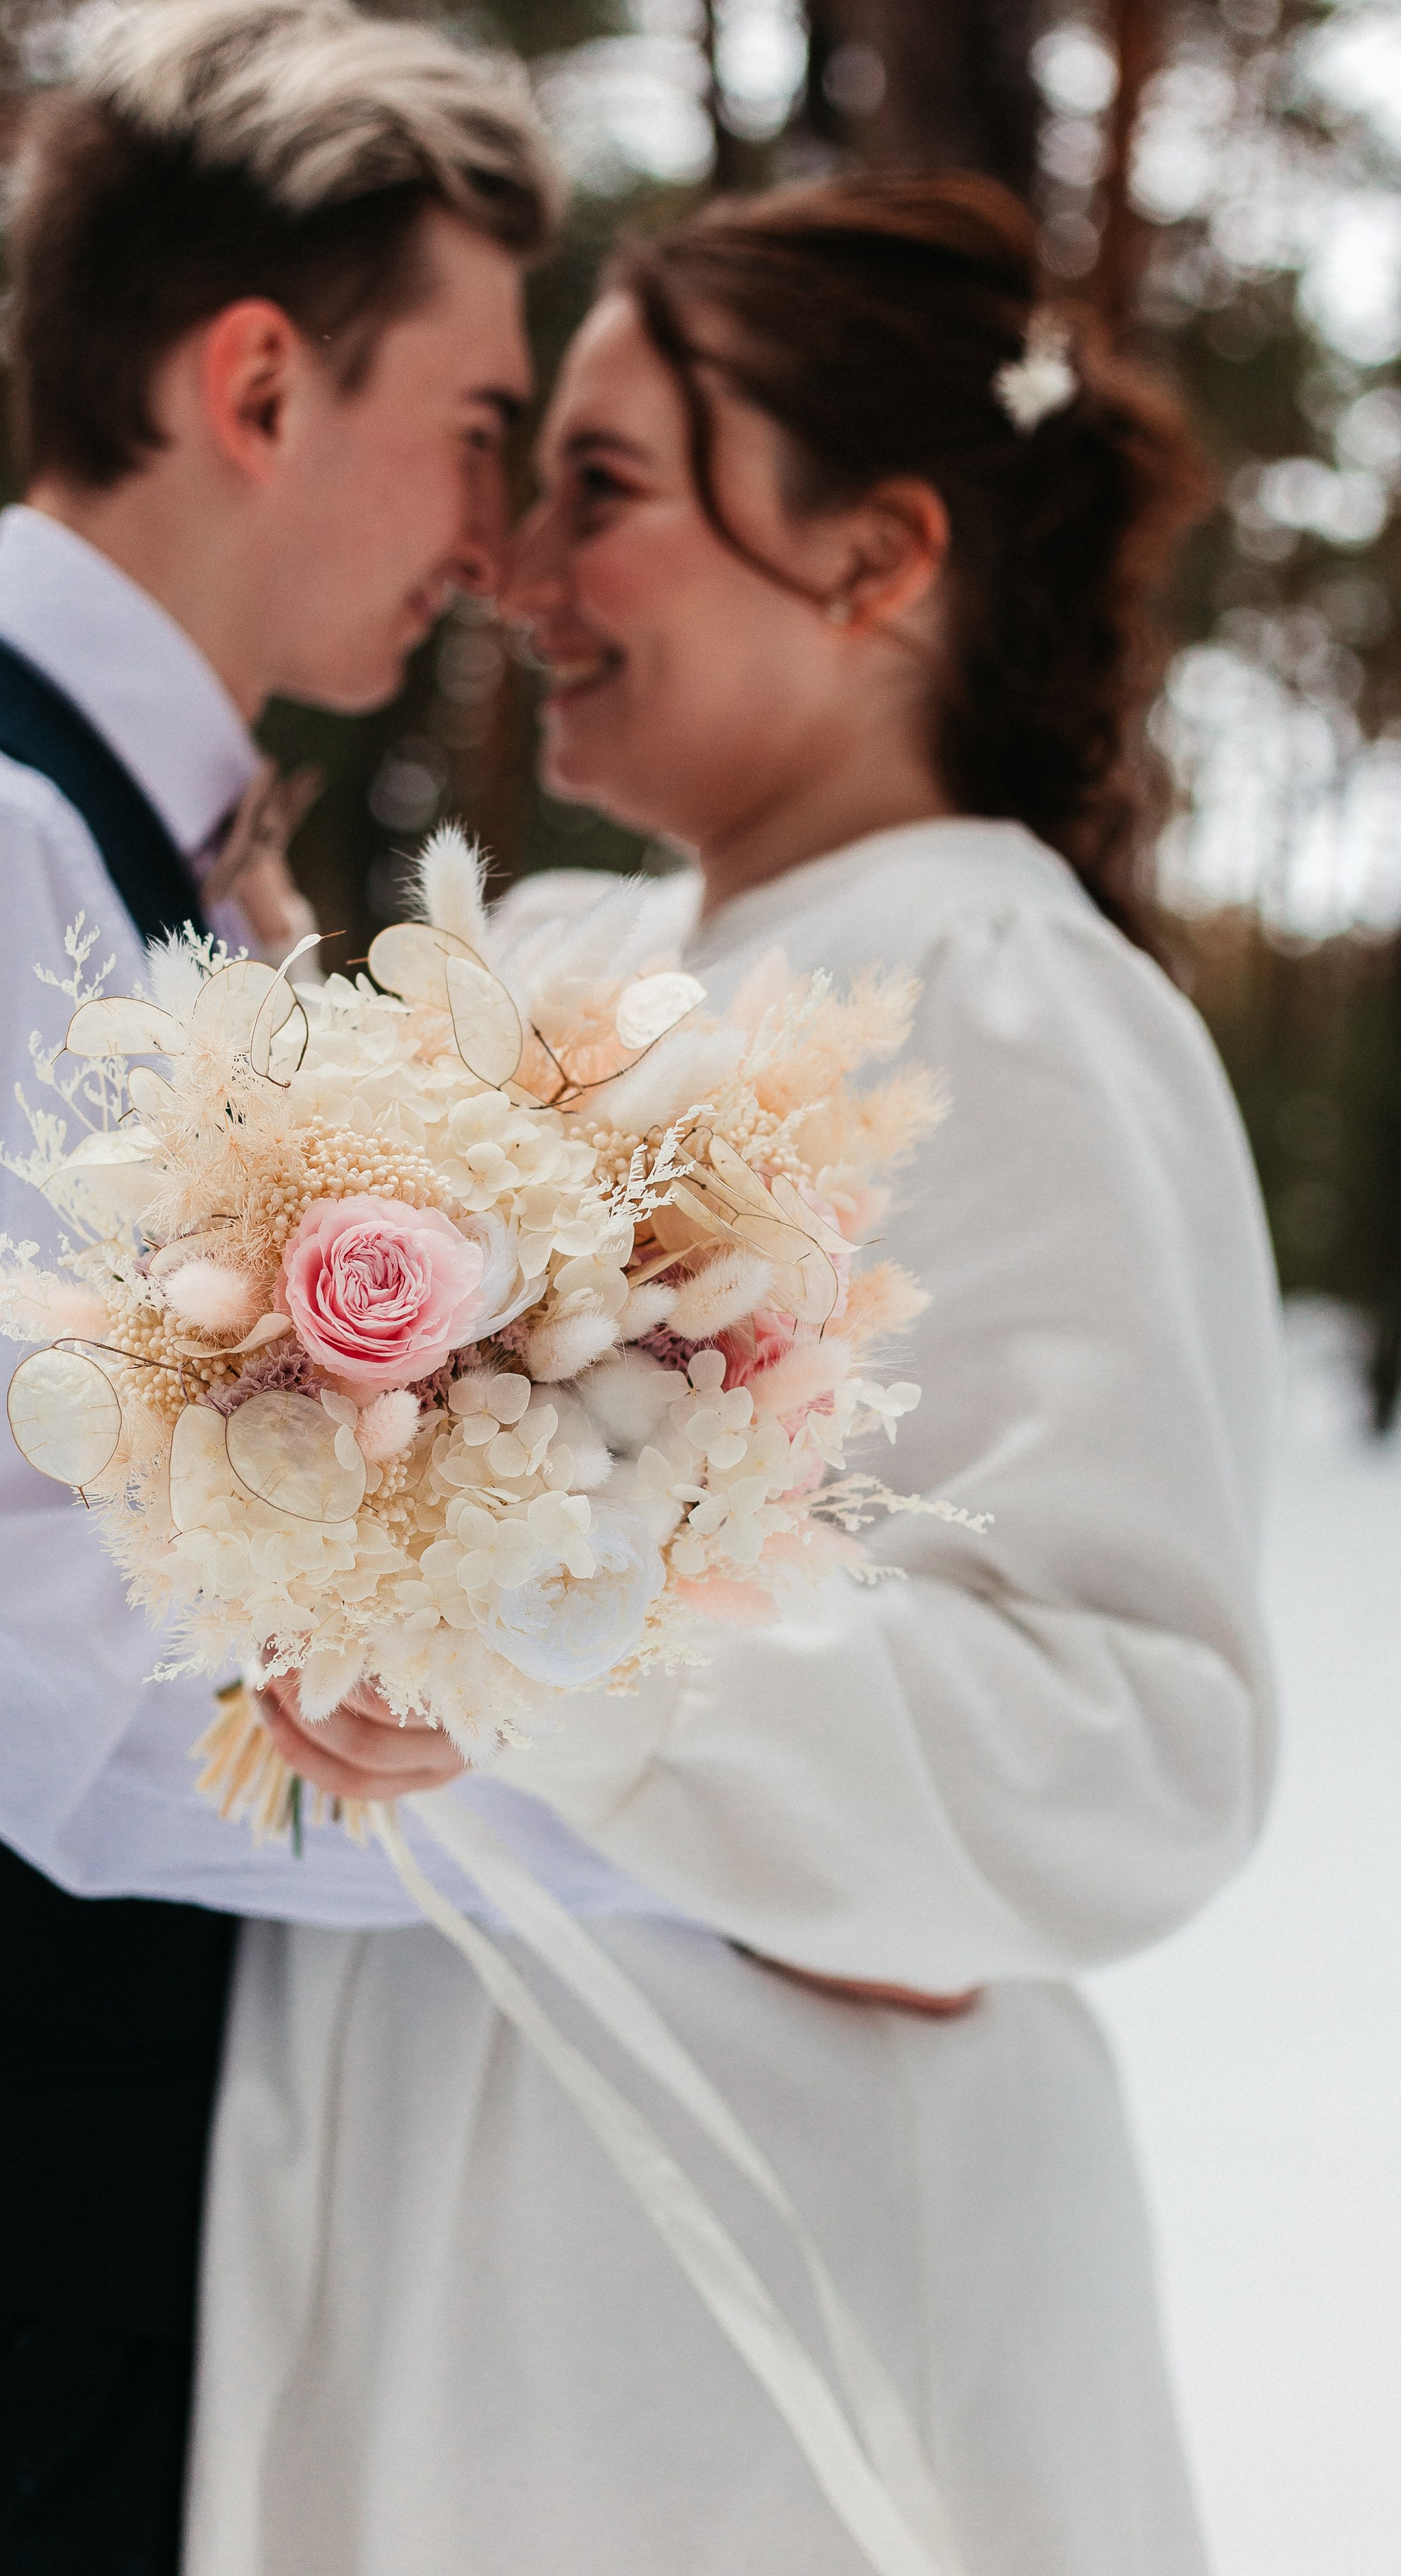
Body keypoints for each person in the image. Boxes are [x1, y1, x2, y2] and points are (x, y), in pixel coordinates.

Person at [185, 178, 1282, 2575]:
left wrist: (552, 1647)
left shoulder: (998, 993)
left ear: (876, 556)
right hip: (443, 2218)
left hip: (768, 2284)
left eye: (604, 487)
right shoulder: (575, 949)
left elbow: (1137, 1740)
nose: (514, 568)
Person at [0, 0, 560, 2572]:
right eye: (475, 425)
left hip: (80, 2241)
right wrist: (664, 1836)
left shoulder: (121, 855)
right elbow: (31, 1668)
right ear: (256, 382)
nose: (494, 530)